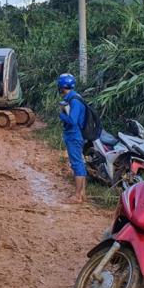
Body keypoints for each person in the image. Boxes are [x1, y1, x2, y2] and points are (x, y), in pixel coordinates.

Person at [57, 73, 87, 204]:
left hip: (74, 135)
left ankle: (77, 196)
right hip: (75, 134)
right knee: (79, 162)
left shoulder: (74, 100)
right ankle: (83, 194)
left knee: (76, 164)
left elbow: (72, 120)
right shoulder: (74, 97)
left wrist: (61, 115)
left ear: (61, 86)